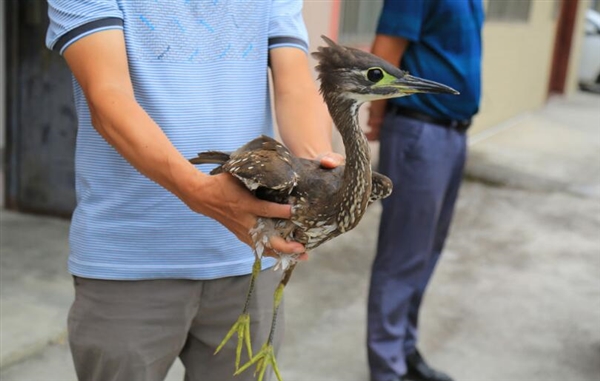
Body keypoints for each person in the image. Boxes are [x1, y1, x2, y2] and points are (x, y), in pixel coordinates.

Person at [45, 1, 341, 380]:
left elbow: (295, 84)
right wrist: (199, 191)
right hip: (129, 262)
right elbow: (108, 98)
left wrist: (317, 172)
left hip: (250, 259)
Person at [365, 1, 484, 381]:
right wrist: (380, 118)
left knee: (426, 251)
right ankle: (387, 368)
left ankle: (403, 348)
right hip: (420, 130)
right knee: (403, 254)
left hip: (453, 132)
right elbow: (384, 54)